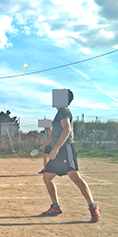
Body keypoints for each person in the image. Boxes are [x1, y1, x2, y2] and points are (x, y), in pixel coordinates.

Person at [41, 90, 100, 223]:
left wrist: (55, 149)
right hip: (59, 149)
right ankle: (55, 206)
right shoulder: (59, 113)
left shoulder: (64, 111)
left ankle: (93, 207)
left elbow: (67, 129)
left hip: (65, 148)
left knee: (75, 177)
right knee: (47, 177)